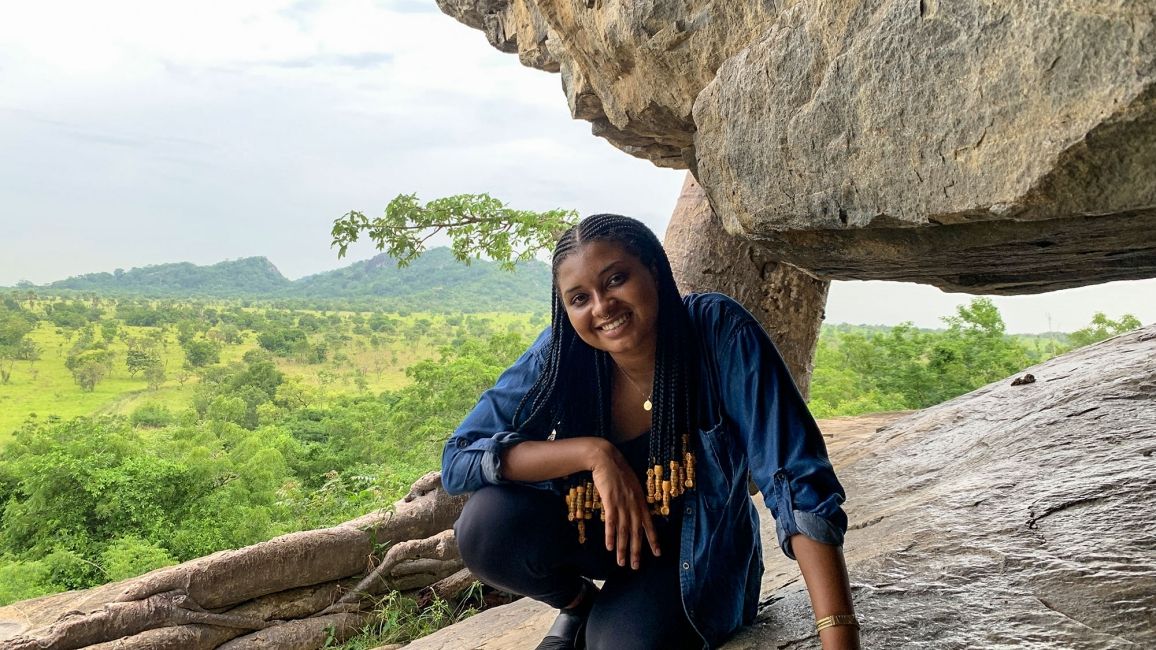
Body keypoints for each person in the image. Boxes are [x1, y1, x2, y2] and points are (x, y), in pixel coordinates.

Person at [441, 214, 859, 650]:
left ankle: (614, 617)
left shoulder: (716, 331)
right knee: (485, 526)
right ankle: (580, 604)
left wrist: (839, 634)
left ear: (655, 270)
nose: (602, 307)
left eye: (616, 279)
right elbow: (459, 457)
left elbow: (794, 481)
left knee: (620, 646)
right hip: (601, 537)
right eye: (580, 298)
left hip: (698, 553)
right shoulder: (563, 354)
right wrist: (593, 454)